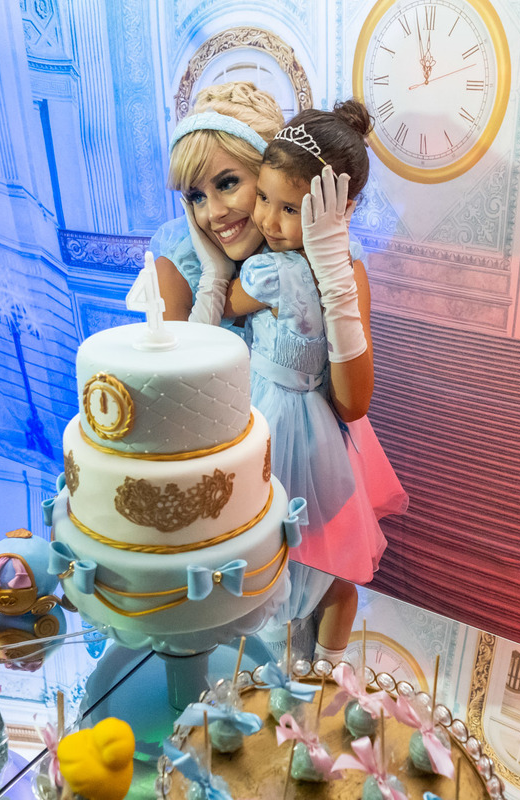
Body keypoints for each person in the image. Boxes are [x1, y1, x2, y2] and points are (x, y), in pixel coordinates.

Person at [223, 100, 399, 664]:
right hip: (276, 420)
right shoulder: (275, 262)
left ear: (340, 211)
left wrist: (332, 275)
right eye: (264, 199)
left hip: (300, 431)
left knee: (305, 561)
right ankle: (296, 667)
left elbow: (355, 401)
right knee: (279, 554)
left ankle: (316, 674)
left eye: (290, 209)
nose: (268, 221)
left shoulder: (336, 274)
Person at [153, 82, 284, 328]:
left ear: (269, 177)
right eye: (197, 197)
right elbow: (183, 355)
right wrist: (214, 278)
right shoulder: (176, 270)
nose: (214, 213)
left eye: (227, 184)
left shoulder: (324, 255)